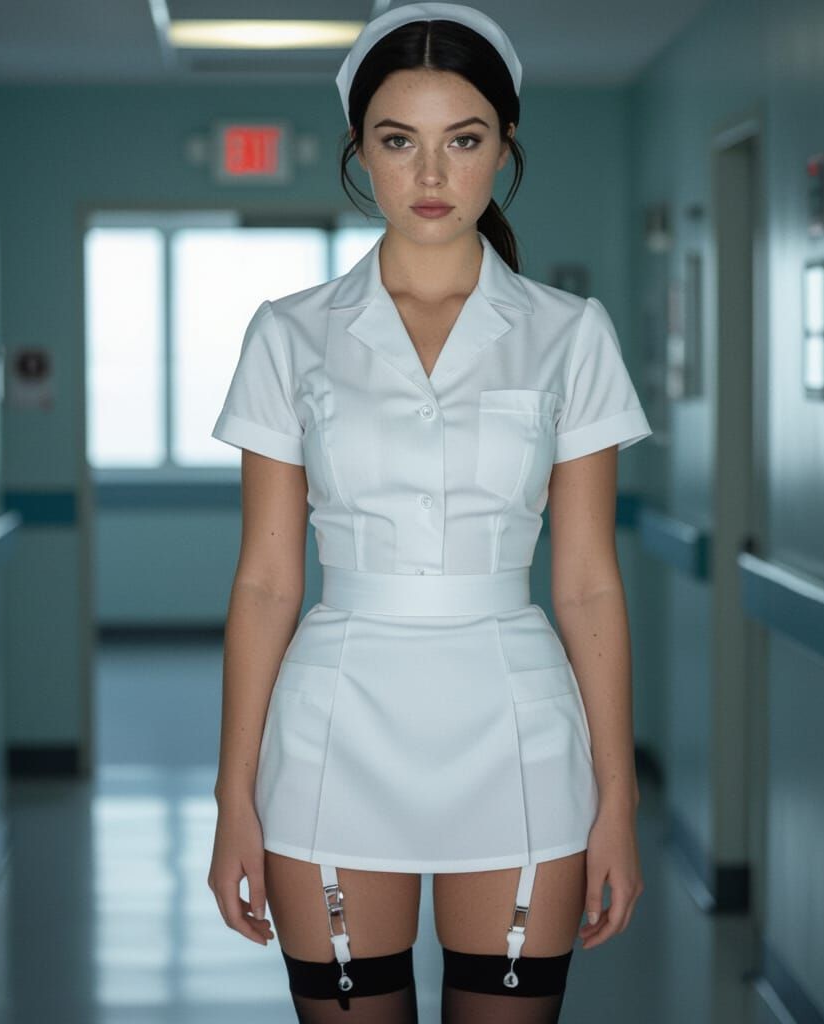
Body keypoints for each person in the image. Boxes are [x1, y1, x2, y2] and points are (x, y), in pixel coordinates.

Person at [206, 4, 652, 1021]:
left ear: (505, 147)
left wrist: (617, 798)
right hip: (334, 723)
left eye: (464, 139)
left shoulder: (569, 335)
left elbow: (588, 582)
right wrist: (234, 798)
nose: (432, 174)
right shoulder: (288, 336)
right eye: (400, 142)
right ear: (360, 151)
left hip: (517, 726)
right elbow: (266, 582)